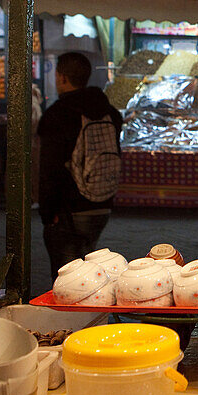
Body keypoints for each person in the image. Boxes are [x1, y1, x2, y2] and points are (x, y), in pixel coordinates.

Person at [38, 52, 123, 278]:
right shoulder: (110, 113)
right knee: (87, 264)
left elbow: (50, 169)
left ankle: (72, 313)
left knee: (68, 278)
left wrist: (48, 213)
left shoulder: (58, 115)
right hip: (102, 203)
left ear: (62, 78)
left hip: (69, 208)